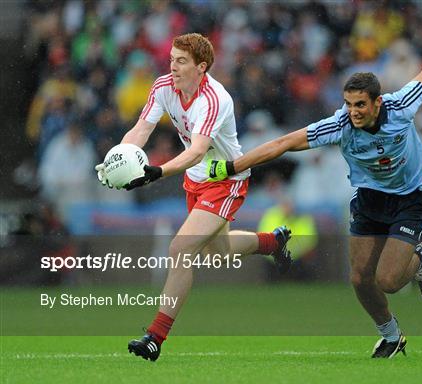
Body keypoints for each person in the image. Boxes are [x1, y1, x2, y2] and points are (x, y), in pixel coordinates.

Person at [207, 41, 422, 358]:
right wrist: (233, 166)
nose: (353, 112)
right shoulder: (340, 125)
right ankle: (391, 335)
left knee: (387, 280)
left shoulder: (400, 106)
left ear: (377, 102)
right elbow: (285, 142)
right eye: (348, 104)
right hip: (369, 200)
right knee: (360, 278)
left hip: (409, 198)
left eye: (360, 105)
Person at [95, 33, 292, 361]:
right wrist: (119, 157)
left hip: (226, 179)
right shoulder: (162, 86)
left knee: (180, 249)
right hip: (196, 179)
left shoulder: (215, 99)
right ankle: (273, 242)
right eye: (172, 59)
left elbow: (198, 150)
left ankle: (155, 336)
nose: (173, 66)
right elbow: (142, 129)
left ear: (202, 67)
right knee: (221, 252)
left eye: (181, 61)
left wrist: (157, 171)